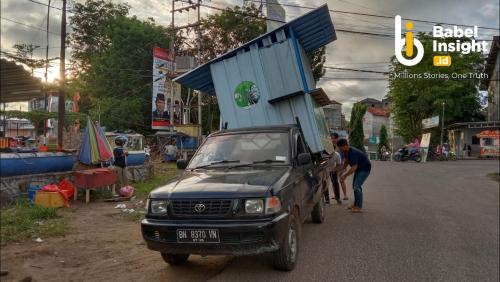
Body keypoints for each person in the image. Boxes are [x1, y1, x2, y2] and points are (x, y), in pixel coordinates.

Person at [337, 138, 371, 213]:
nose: (339, 149)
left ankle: (358, 207)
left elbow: (354, 167)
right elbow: (346, 161)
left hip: (364, 169)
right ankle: (356, 204)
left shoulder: (353, 152)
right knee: (355, 186)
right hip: (359, 169)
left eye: (340, 147)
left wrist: (345, 175)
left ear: (345, 145)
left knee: (356, 186)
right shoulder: (345, 151)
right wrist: (342, 170)